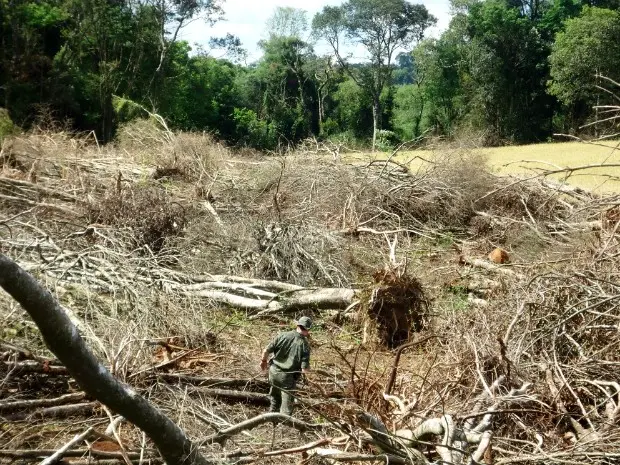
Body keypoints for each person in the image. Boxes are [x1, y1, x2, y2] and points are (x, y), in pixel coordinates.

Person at [260, 316, 312, 415]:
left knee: (275, 399)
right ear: (308, 329)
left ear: (297, 325)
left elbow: (266, 351)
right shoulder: (304, 345)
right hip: (287, 378)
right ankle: (283, 427)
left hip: (273, 372)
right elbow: (304, 369)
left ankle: (271, 419)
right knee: (286, 408)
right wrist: (309, 371)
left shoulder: (282, 335)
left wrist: (263, 361)